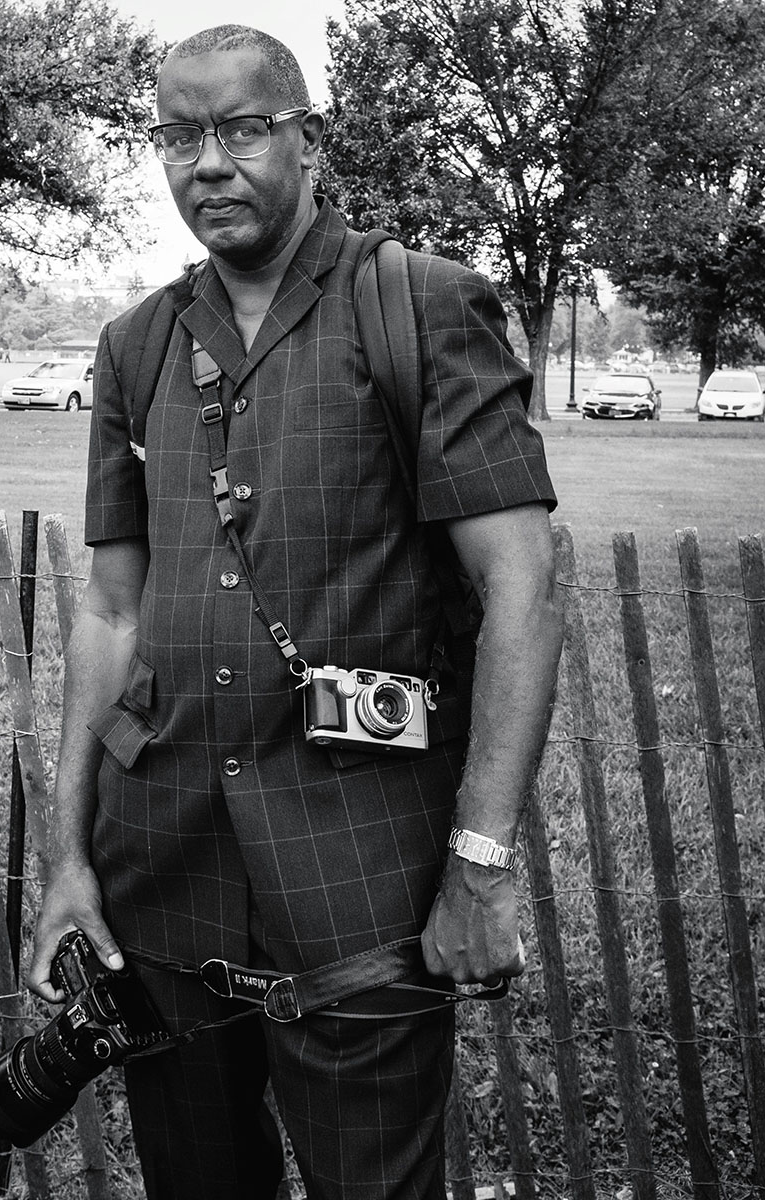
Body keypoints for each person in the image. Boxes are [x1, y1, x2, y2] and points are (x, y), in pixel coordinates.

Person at [29, 24, 563, 1200]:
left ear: (304, 138)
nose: (206, 162)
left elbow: (521, 584)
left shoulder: (419, 307)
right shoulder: (136, 346)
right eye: (176, 135)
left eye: (240, 128)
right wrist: (65, 858)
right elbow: (110, 613)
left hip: (361, 875)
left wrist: (477, 863)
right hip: (161, 879)